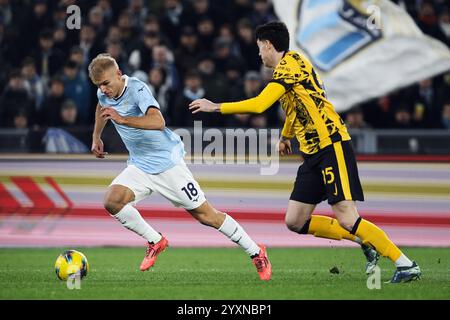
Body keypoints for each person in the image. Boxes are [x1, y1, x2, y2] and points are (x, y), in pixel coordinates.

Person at [189, 21, 421, 283]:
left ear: (267, 45)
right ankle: (363, 241)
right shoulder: (288, 69)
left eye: (259, 48)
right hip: (312, 154)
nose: (259, 54)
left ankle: (405, 264)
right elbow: (295, 107)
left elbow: (259, 105)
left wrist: (215, 107)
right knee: (295, 221)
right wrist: (286, 135)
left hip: (331, 145)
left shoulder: (289, 66)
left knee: (346, 215)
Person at [87, 53, 271, 281]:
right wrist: (97, 136)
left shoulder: (137, 89)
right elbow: (100, 106)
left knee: (206, 215)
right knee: (112, 201)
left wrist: (123, 119)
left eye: (106, 83)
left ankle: (256, 252)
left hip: (167, 163)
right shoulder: (103, 94)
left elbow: (158, 122)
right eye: (98, 85)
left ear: (118, 74)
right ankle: (156, 240)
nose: (103, 89)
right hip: (140, 165)